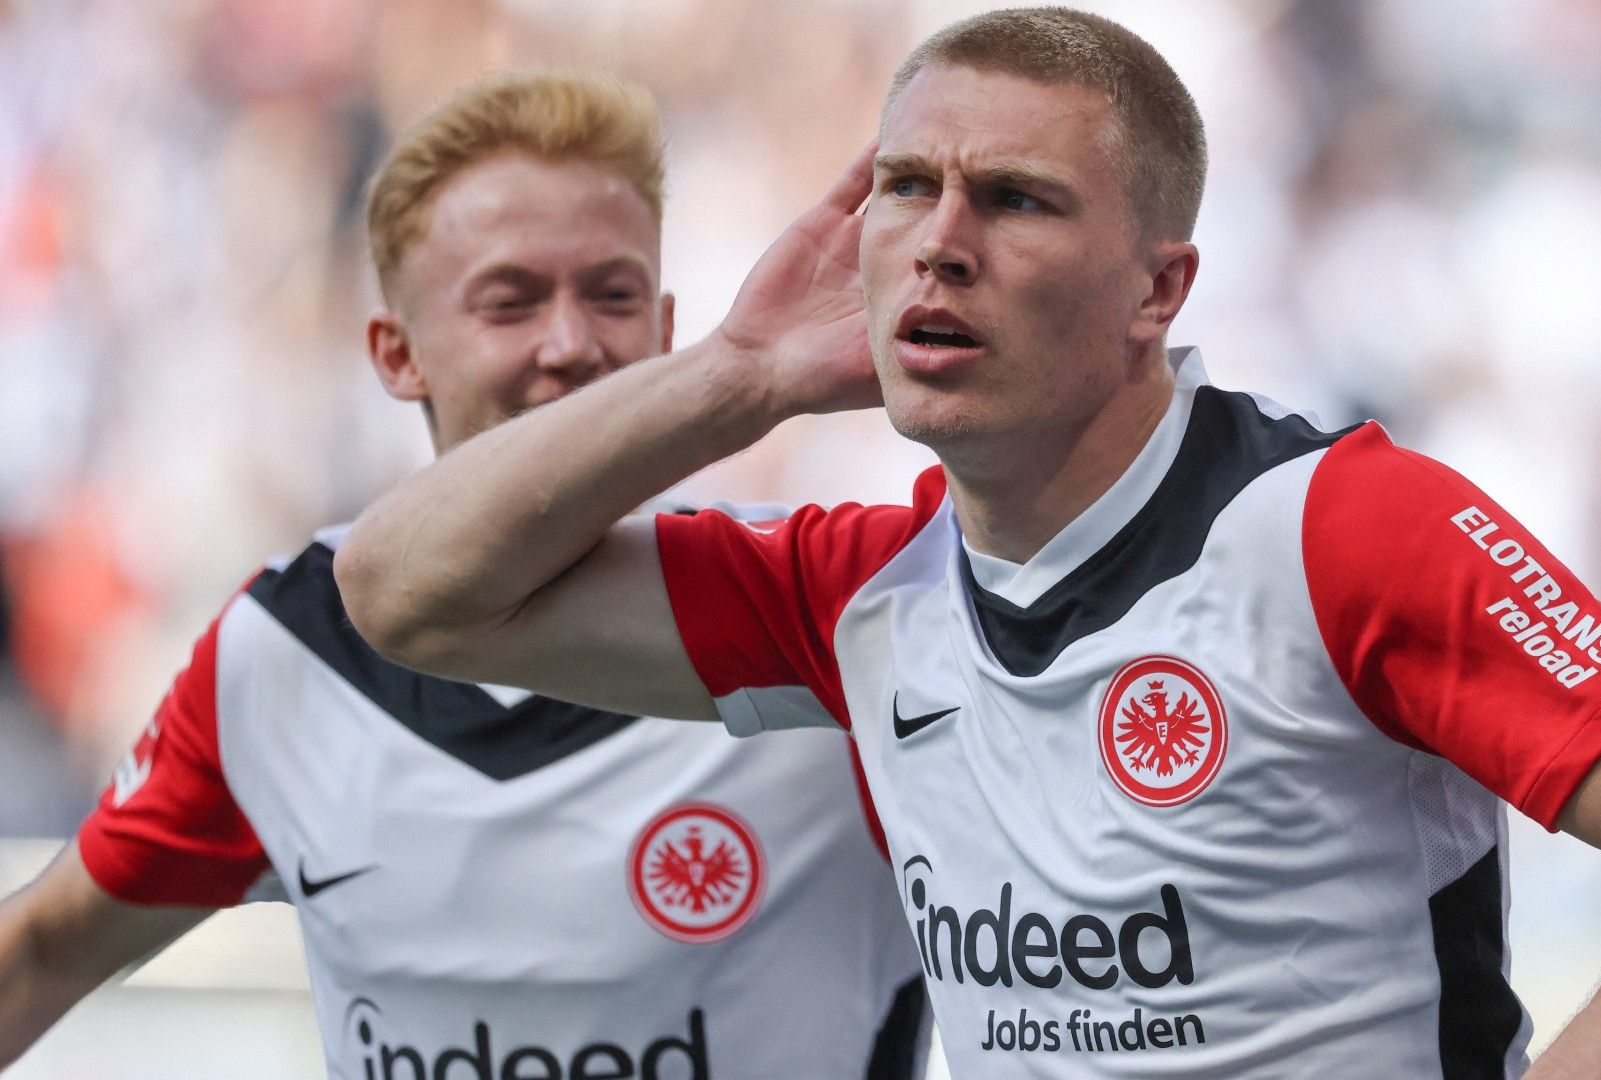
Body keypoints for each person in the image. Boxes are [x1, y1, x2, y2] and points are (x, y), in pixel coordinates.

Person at [336, 10, 1601, 1079]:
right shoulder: (855, 593)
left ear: (1159, 288)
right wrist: (735, 375)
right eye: (903, 190)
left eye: (1014, 200)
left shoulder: (1335, 528)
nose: (941, 240)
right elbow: (404, 594)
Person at [0, 71, 927, 1080]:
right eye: (510, 302)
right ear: (399, 356)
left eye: (611, 295)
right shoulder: (289, 649)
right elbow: (43, 954)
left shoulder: (823, 610)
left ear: (666, 333)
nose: (570, 344)